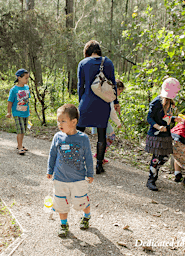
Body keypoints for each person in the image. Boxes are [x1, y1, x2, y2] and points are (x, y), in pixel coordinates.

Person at [47, 104, 94, 238]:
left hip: (78, 179)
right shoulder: (57, 137)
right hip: (60, 179)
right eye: (58, 120)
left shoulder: (83, 138)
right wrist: (50, 170)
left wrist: (90, 173)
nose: (59, 124)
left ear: (74, 122)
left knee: (82, 202)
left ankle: (86, 216)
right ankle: (63, 224)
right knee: (61, 203)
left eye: (63, 121)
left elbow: (88, 158)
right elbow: (52, 155)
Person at [77, 40, 119, 174]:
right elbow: (113, 84)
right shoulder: (108, 62)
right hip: (103, 103)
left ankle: (76, 160)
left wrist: (81, 102)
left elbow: (80, 86)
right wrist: (116, 101)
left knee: (78, 132)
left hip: (87, 102)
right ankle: (99, 165)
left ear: (87, 51)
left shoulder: (83, 63)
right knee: (101, 135)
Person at [145, 77, 183, 191]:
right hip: (156, 134)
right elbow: (149, 118)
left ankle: (154, 171)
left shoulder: (171, 103)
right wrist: (158, 126)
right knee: (156, 157)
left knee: (165, 157)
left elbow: (166, 117)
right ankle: (151, 180)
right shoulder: (157, 102)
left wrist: (175, 118)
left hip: (166, 135)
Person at [92, 80, 125, 164]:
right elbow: (112, 112)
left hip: (99, 117)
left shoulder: (106, 93)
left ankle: (100, 156)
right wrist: (118, 123)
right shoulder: (110, 96)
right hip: (101, 119)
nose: (119, 94)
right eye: (120, 92)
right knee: (111, 137)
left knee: (103, 138)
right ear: (117, 89)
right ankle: (99, 155)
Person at [6, 69, 30, 155]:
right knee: (20, 131)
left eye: (28, 78)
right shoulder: (14, 89)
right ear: (19, 78)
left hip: (25, 113)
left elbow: (27, 100)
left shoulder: (27, 88)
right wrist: (9, 112)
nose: (27, 80)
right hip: (17, 113)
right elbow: (10, 101)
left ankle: (21, 144)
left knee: (23, 130)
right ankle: (19, 147)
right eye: (26, 78)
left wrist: (29, 109)